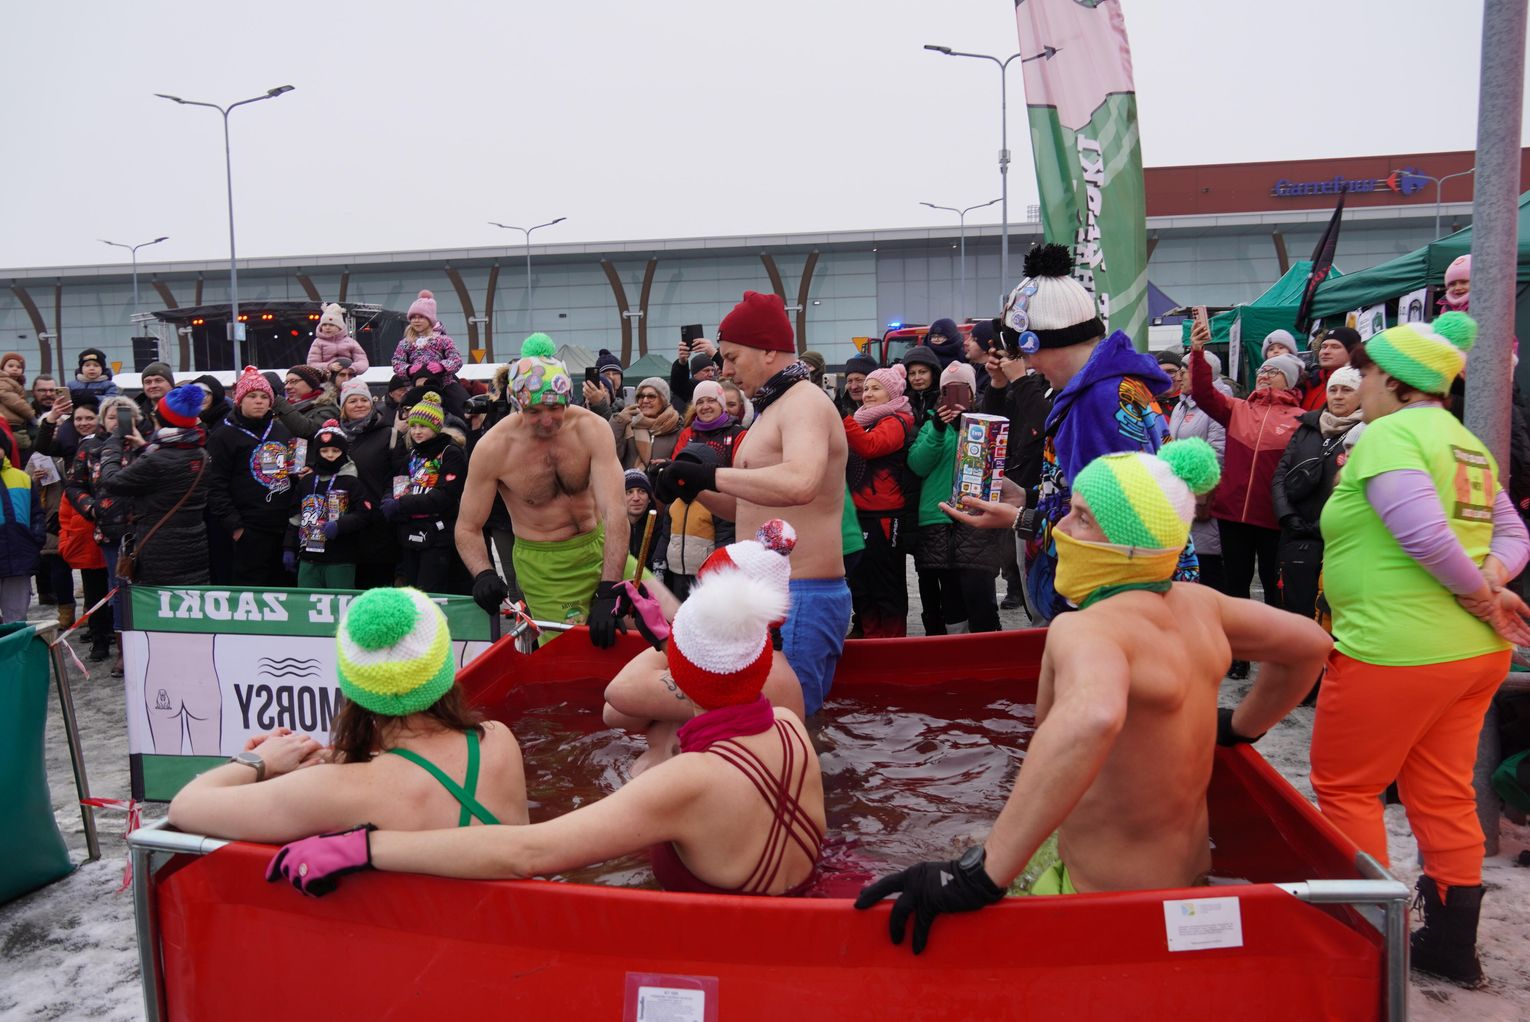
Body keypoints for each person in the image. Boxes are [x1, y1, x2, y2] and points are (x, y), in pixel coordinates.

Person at [855, 439, 1331, 953]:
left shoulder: (1089, 629)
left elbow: (1092, 719)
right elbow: (1309, 645)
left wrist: (982, 874)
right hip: (1186, 882)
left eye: (1082, 517)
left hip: (1103, 906)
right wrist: (1239, 727)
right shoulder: (1203, 606)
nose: (1061, 527)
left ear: (1130, 545)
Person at [267, 560, 823, 897]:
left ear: (675, 672)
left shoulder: (685, 779)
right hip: (787, 926)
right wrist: (675, 641)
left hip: (717, 952)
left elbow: (527, 853)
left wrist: (366, 847)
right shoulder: (788, 727)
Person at [1310, 313, 1530, 987]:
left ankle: (1368, 943)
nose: (1359, 384)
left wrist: (1480, 592)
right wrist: (1491, 581)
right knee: (1442, 791)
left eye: (1367, 373)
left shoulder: (1390, 434)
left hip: (1394, 649)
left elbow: (1424, 536)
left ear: (1396, 382)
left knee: (1348, 788)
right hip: (1470, 654)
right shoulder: (1465, 443)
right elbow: (1513, 533)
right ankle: (1451, 946)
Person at [169, 586, 527, 842]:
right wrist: (336, 757)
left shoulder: (333, 791)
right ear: (443, 668)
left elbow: (186, 806)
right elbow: (424, 773)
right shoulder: (498, 742)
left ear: (354, 687)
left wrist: (259, 761)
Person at [945, 244, 1186, 623]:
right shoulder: (1107, 389)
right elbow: (1083, 496)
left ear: (1047, 342)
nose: (1026, 364)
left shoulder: (1099, 401)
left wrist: (1019, 518)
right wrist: (1027, 496)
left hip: (1105, 607)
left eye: (1026, 352)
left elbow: (1111, 531)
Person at [655, 291, 850, 715]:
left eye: (731, 357)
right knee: (762, 725)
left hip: (801, 594)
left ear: (768, 350)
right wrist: (689, 486)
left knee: (788, 727)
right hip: (773, 596)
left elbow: (801, 482)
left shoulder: (804, 402)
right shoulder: (773, 407)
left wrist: (711, 475)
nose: (725, 370)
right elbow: (748, 510)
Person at [458, 335, 642, 646]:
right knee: (570, 655)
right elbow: (467, 526)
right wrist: (484, 573)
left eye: (555, 407)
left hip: (600, 544)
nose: (546, 420)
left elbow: (615, 512)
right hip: (546, 566)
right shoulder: (494, 448)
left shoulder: (591, 428)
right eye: (534, 411)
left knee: (667, 623)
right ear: (518, 406)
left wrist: (609, 589)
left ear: (567, 399)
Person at [604, 520, 807, 772]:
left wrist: (666, 637)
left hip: (678, 792)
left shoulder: (745, 673)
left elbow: (617, 698)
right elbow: (623, 717)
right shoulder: (727, 662)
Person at [1188, 320, 1306, 667]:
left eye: (1274, 371)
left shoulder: (1302, 419)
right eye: (1262, 370)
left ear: (1290, 379)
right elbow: (1203, 393)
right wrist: (1197, 351)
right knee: (1235, 588)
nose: (1265, 375)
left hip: (1272, 517)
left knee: (1272, 587)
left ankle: (1272, 652)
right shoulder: (1237, 408)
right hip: (1232, 515)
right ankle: (1238, 654)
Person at [909, 361, 1003, 634]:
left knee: (980, 595)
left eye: (961, 390)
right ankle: (957, 648)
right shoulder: (930, 426)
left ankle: (988, 647)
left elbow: (994, 466)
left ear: (972, 393)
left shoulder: (985, 422)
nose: (954, 397)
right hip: (938, 521)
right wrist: (938, 429)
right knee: (949, 600)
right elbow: (917, 465)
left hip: (976, 521)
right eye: (947, 391)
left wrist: (970, 427)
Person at [1271, 366, 1362, 626]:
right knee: (1291, 608)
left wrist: (1324, 523)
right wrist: (1287, 515)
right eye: (1333, 389)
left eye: (1347, 390)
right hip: (1295, 533)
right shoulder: (1308, 427)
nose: (1338, 396)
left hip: (1335, 537)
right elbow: (1280, 474)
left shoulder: (1365, 431)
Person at [98, 384, 211, 588]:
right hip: (194, 544)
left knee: (160, 600)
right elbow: (170, 468)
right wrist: (144, 447)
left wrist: (112, 445)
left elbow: (112, 481)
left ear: (161, 420)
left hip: (160, 548)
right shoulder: (200, 453)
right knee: (188, 596)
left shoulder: (156, 460)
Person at [843, 363, 916, 638]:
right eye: (866, 388)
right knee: (862, 586)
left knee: (887, 586)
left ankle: (892, 646)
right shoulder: (865, 420)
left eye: (876, 388)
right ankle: (871, 642)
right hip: (859, 512)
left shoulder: (897, 421)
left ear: (892, 393)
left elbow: (870, 446)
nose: (867, 393)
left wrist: (842, 419)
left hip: (885, 514)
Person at [206, 367, 298, 586]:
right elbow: (215, 485)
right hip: (249, 528)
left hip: (283, 527)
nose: (259, 401)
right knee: (252, 589)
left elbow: (293, 473)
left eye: (264, 397)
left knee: (284, 588)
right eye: (252, 396)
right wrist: (236, 527)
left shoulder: (282, 431)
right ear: (240, 400)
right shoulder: (223, 436)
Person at [980, 342, 1051, 613]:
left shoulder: (1067, 387)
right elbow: (993, 422)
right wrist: (998, 383)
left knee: (1047, 592)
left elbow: (1051, 425)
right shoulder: (1038, 382)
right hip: (1026, 492)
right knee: (1027, 578)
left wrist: (1020, 379)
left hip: (1055, 505)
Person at [663, 381, 746, 598]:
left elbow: (741, 473)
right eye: (700, 402)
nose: (705, 406)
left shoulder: (737, 433)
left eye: (711, 401)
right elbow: (677, 467)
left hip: (724, 513)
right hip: (690, 509)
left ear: (722, 404)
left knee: (718, 574)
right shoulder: (688, 434)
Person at [382, 392, 468, 593]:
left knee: (430, 590)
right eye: (413, 426)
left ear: (436, 427)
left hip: (438, 533)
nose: (417, 431)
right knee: (412, 589)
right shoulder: (413, 454)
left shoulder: (450, 452)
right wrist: (388, 500)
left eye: (423, 426)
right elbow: (396, 482)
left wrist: (402, 504)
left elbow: (444, 496)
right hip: (410, 530)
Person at [1167, 348, 1232, 593]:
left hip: (1204, 497)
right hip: (1180, 497)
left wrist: (1187, 480)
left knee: (1208, 569)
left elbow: (1218, 452)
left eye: (1184, 371)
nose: (1179, 377)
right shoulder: (1180, 406)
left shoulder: (1217, 405)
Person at [284, 419, 372, 589]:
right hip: (308, 557)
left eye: (335, 450)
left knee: (338, 601)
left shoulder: (351, 482)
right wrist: (289, 547)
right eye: (324, 451)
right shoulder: (307, 481)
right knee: (307, 600)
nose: (330, 455)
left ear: (343, 452)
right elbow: (295, 517)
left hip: (340, 558)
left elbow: (364, 514)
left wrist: (340, 525)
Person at [391, 290, 466, 414]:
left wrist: (442, 366)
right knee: (401, 410)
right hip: (416, 386)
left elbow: (456, 359)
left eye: (421, 317)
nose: (416, 320)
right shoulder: (405, 342)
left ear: (430, 319)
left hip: (444, 384)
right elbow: (396, 362)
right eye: (413, 317)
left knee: (462, 404)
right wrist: (408, 369)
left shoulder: (443, 340)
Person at [0, 441, 44, 623]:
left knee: (16, 619)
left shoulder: (22, 478)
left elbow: (36, 513)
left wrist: (36, 538)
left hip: (19, 557)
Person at [612, 377, 682, 471]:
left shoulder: (676, 427)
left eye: (651, 396)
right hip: (629, 480)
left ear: (663, 400)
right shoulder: (628, 424)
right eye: (640, 396)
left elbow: (682, 463)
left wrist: (667, 464)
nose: (645, 400)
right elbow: (610, 455)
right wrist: (619, 421)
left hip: (662, 479)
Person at [1300, 327, 1360, 412]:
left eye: (1335, 347)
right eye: (1323, 347)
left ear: (1352, 352)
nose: (1326, 352)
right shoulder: (1309, 382)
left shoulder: (1360, 384)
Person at [622, 469, 669, 576]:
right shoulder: (610, 528)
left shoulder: (662, 529)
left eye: (642, 491)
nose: (636, 498)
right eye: (629, 492)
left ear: (649, 498)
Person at [306, 302, 370, 373]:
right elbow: (312, 364)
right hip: (326, 377)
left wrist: (352, 368)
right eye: (324, 325)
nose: (327, 327)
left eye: (331, 325)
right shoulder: (317, 342)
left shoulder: (351, 342)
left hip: (348, 376)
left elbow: (363, 362)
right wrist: (329, 367)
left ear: (340, 327)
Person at [0, 351, 36, 453]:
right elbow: (12, 400)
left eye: (19, 367)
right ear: (2, 368)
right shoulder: (2, 381)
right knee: (22, 446)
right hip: (8, 423)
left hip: (16, 423)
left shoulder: (16, 384)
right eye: (10, 366)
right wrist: (30, 413)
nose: (15, 369)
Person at [902, 345, 942, 427]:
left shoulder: (942, 399)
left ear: (933, 373)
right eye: (912, 373)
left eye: (923, 372)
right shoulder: (902, 401)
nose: (917, 378)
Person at [837, 351, 877, 417]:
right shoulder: (841, 409)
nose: (853, 387)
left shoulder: (884, 414)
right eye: (849, 381)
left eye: (859, 380)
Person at [1153, 350, 1184, 416]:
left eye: (1171, 372)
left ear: (1181, 374)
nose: (1165, 377)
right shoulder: (1145, 404)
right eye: (1159, 372)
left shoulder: (1193, 403)